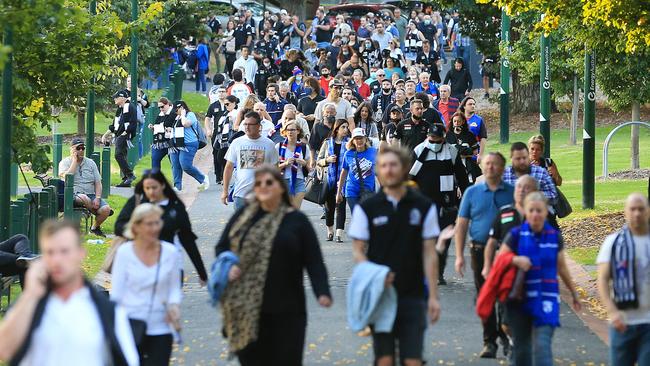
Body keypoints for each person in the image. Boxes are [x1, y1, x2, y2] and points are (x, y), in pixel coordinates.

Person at [216, 165, 332, 364]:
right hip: (247, 305)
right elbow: (222, 248)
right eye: (258, 184)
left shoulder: (296, 221)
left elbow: (313, 260)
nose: (263, 187)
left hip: (287, 308)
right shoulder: (242, 217)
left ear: (280, 187)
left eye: (269, 183)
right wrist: (230, 266)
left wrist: (322, 291)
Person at [348, 146, 441, 366]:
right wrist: (375, 273)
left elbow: (429, 252)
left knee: (413, 361)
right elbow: (357, 251)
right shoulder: (367, 207)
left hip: (413, 293)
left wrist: (434, 296)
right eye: (383, 166)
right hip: (381, 292)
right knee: (384, 359)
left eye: (393, 165)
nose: (388, 170)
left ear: (405, 168)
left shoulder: (423, 206)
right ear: (378, 171)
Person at [0, 220, 139, 365]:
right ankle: (24, 259)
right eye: (50, 252)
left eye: (64, 251)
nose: (57, 260)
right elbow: (4, 349)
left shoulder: (107, 311)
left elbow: (127, 360)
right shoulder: (28, 306)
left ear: (80, 253)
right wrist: (30, 295)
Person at [499, 192, 581, 365]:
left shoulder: (554, 237)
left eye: (539, 210)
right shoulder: (515, 235)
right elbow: (501, 260)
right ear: (525, 213)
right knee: (522, 350)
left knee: (542, 347)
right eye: (532, 210)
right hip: (520, 298)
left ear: (546, 212)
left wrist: (574, 293)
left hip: (546, 298)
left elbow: (561, 267)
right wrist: (516, 259)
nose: (535, 214)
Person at [455, 152, 514, 358]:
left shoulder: (513, 192)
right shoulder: (472, 192)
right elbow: (461, 225)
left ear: (503, 167)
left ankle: (507, 335)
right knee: (486, 296)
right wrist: (459, 255)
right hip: (479, 251)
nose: (490, 167)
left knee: (506, 295)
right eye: (487, 164)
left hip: (506, 252)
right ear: (481, 166)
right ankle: (490, 341)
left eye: (495, 164)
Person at [111, 204, 182, 366]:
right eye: (149, 224)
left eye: (157, 223)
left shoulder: (170, 252)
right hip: (132, 324)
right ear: (136, 227)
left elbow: (174, 289)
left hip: (161, 326)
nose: (154, 228)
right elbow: (117, 294)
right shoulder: (125, 253)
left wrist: (174, 306)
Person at [114, 170, 208, 285]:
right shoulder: (138, 202)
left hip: (170, 264)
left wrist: (201, 271)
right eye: (147, 188)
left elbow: (187, 239)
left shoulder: (175, 207)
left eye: (154, 187)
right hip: (141, 263)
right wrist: (138, 230)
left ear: (162, 185)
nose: (151, 192)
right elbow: (119, 227)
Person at [409, 124, 470, 285]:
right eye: (431, 138)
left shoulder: (451, 151)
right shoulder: (419, 151)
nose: (434, 141)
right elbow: (409, 178)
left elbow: (462, 177)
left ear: (443, 138)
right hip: (424, 203)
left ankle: (438, 272)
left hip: (446, 202)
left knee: (444, 239)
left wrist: (467, 199)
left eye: (437, 139)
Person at [596, 193, 650, 366]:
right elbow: (603, 279)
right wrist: (612, 312)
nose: (637, 213)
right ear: (625, 213)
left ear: (648, 212)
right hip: (622, 322)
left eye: (641, 209)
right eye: (632, 209)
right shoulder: (613, 243)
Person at [221, 112, 279, 209]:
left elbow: (275, 169)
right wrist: (225, 191)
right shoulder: (237, 143)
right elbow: (228, 167)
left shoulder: (269, 144)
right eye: (245, 124)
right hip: (241, 194)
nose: (247, 127)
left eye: (251, 124)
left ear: (259, 126)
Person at [59, 137, 113, 237]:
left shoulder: (91, 163)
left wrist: (97, 198)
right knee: (84, 198)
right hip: (74, 194)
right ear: (72, 149)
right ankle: (93, 211)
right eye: (78, 148)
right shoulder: (65, 162)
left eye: (83, 148)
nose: (81, 150)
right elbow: (67, 177)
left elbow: (98, 182)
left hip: (90, 194)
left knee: (106, 209)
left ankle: (94, 228)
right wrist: (75, 161)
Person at [317, 119, 350, 243]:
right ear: (337, 129)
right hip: (329, 179)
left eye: (347, 127)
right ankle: (330, 232)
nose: (346, 129)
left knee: (341, 207)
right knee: (329, 208)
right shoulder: (327, 143)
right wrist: (327, 160)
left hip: (344, 180)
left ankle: (339, 234)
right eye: (343, 127)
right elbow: (318, 161)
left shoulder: (349, 144)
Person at [168, 101, 209, 193]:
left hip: (189, 144)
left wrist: (183, 115)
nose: (175, 112)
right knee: (175, 165)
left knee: (185, 165)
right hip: (176, 144)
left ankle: (203, 178)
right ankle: (177, 186)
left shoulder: (190, 115)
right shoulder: (177, 117)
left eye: (176, 110)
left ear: (182, 108)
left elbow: (186, 124)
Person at [336, 128, 377, 211]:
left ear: (365, 139)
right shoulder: (348, 154)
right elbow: (343, 173)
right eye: (356, 138)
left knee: (367, 217)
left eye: (361, 138)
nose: (359, 141)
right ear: (353, 141)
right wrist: (338, 192)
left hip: (368, 190)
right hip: (351, 190)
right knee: (357, 216)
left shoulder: (373, 152)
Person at [276, 121, 310, 208]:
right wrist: (285, 163)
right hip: (283, 180)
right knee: (286, 210)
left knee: (295, 209)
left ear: (298, 131)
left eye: (293, 130)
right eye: (288, 130)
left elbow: (310, 168)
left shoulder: (303, 147)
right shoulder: (279, 146)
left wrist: (303, 162)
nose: (290, 132)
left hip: (299, 180)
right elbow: (273, 168)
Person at [109, 90, 137, 187]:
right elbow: (115, 125)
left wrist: (125, 133)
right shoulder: (120, 109)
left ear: (122, 98)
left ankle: (130, 175)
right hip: (119, 135)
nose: (114, 99)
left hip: (124, 135)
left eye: (116, 97)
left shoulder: (128, 106)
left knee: (118, 155)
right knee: (122, 155)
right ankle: (126, 180)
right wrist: (106, 134)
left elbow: (132, 122)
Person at [446, 111, 482, 184]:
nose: (456, 123)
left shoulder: (469, 134)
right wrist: (464, 150)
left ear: (463, 122)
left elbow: (474, 151)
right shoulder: (448, 135)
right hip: (453, 165)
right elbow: (447, 152)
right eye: (455, 121)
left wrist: (458, 150)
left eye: (459, 121)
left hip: (469, 164)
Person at [211, 95, 239, 184]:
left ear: (234, 103)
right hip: (222, 138)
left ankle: (226, 176)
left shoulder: (236, 113)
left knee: (224, 157)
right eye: (225, 104)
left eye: (228, 104)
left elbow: (236, 125)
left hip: (230, 138)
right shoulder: (225, 113)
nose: (226, 106)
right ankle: (224, 176)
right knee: (220, 157)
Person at [459, 96, 487, 163]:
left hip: (473, 153)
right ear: (464, 106)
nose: (473, 106)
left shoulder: (479, 120)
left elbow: (483, 138)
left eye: (474, 104)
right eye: (470, 104)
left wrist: (480, 155)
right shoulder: (457, 119)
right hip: (460, 153)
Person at [150, 97, 175, 171]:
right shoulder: (160, 115)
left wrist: (171, 129)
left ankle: (177, 182)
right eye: (159, 107)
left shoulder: (173, 113)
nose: (161, 109)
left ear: (167, 104)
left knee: (174, 163)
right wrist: (153, 127)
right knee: (155, 159)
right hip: (159, 142)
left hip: (170, 143)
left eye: (162, 106)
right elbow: (158, 128)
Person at [309, 103, 337, 167]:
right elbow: (312, 145)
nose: (329, 114)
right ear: (323, 113)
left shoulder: (338, 125)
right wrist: (312, 159)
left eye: (331, 112)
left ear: (335, 113)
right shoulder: (317, 126)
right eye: (327, 112)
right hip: (321, 156)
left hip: (336, 155)